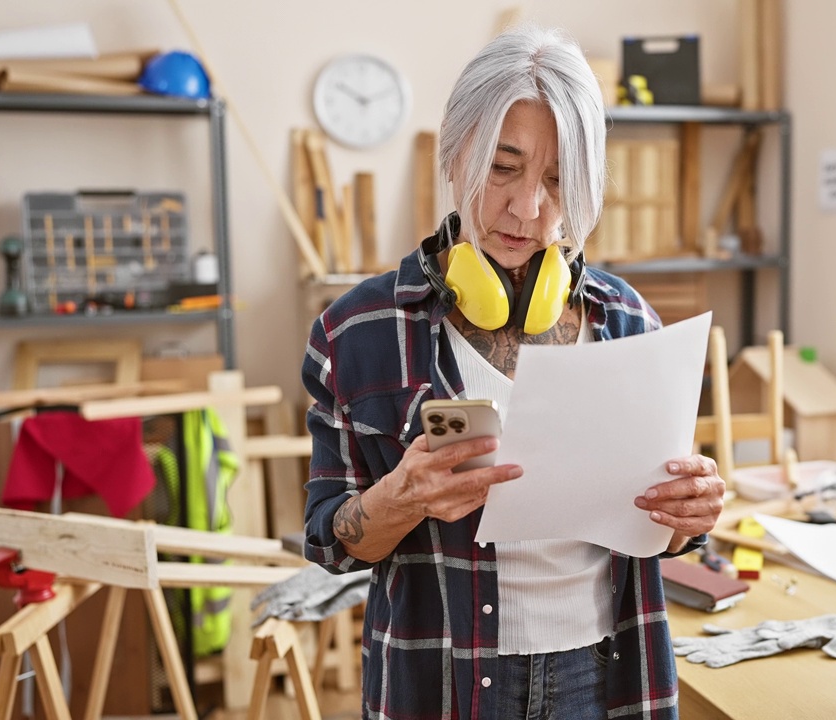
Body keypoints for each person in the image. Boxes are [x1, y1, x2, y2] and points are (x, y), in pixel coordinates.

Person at [302, 24, 726, 720]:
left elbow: (663, 530)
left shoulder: (627, 320)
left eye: (559, 180)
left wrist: (688, 517)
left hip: (607, 675)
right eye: (503, 168)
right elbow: (331, 543)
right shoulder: (356, 332)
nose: (529, 209)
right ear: (454, 152)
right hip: (438, 681)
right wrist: (400, 497)